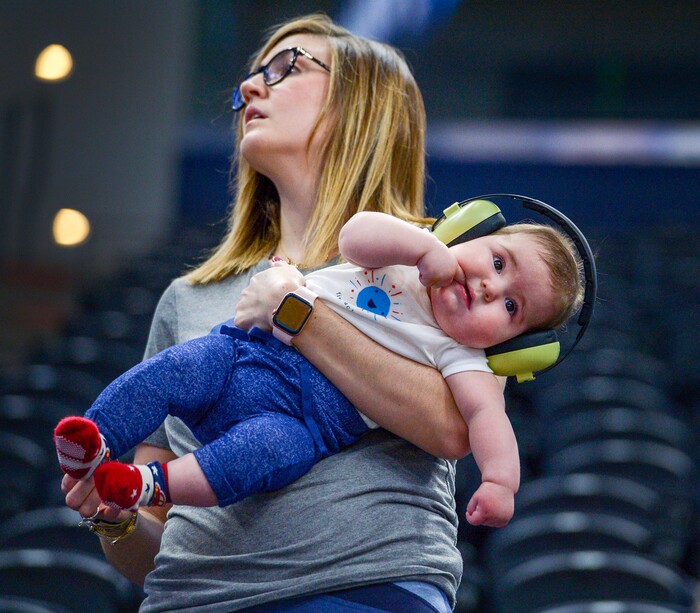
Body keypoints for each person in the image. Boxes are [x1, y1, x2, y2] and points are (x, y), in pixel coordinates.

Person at [59, 13, 505, 612]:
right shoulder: (187, 298)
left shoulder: (437, 273)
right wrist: (113, 518)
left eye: (286, 67)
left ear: (361, 106)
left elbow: (452, 428)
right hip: (191, 600)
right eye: (253, 73)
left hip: (361, 592)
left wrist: (297, 314)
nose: (249, 88)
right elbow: (157, 540)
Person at [55, 211, 584, 529]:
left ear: (515, 347)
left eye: (512, 309)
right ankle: (95, 438)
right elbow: (355, 235)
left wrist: (499, 484)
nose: (492, 288)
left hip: (305, 421)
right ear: (467, 229)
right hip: (244, 356)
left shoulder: (461, 358)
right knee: (176, 369)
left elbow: (487, 420)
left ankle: (143, 484)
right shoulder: (402, 256)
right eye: (497, 262)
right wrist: (424, 247)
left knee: (262, 454)